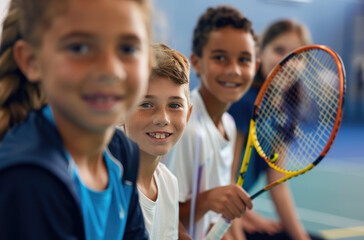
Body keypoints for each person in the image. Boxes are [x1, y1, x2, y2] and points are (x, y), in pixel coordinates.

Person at [0, 0, 152, 239]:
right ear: (31, 60)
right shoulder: (29, 179)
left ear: (148, 61)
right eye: (79, 48)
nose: (110, 70)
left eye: (128, 49)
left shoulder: (122, 151)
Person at [163, 5, 257, 240]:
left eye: (244, 59)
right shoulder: (186, 128)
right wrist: (207, 200)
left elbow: (212, 223)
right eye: (220, 58)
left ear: (255, 66)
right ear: (196, 63)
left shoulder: (229, 125)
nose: (234, 70)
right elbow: (162, 218)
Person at [228, 19, 325, 240]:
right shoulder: (242, 103)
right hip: (212, 218)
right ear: (260, 52)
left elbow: (277, 185)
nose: (288, 61)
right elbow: (225, 184)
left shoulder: (287, 112)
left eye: (297, 56)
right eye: (279, 50)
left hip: (235, 213)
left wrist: (301, 238)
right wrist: (241, 223)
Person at [122, 43, 193, 240]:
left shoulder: (169, 183)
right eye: (146, 104)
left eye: (174, 105)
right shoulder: (112, 185)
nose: (163, 118)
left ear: (188, 115)